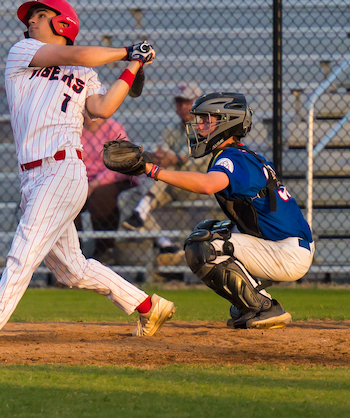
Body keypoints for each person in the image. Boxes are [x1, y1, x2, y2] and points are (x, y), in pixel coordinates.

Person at [0, 0, 175, 345]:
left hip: (62, 169)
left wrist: (133, 65)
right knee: (72, 270)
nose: (30, 22)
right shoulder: (22, 53)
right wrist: (128, 51)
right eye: (32, 17)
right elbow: (73, 54)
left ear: (62, 23)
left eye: (40, 16)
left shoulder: (85, 74)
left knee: (25, 246)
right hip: (32, 176)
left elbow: (102, 108)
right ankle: (148, 305)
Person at [120, 92, 312, 329]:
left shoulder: (233, 158)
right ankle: (251, 303)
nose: (199, 126)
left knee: (203, 246)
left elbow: (208, 184)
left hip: (287, 251)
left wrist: (153, 171)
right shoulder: (241, 155)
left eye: (207, 120)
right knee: (210, 230)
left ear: (227, 123)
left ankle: (263, 306)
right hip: (287, 245)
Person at [119, 81, 212, 260]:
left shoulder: (205, 129)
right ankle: (164, 242)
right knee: (126, 198)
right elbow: (162, 154)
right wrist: (168, 158)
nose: (183, 106)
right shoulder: (171, 131)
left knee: (164, 168)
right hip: (170, 186)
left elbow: (178, 158)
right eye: (179, 102)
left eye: (187, 101)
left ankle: (143, 207)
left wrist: (172, 159)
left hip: (197, 187)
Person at [75, 112, 138, 261]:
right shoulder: (76, 129)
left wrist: (95, 184)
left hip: (113, 178)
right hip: (82, 179)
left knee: (102, 197)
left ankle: (104, 249)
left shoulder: (113, 128)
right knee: (68, 197)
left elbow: (122, 162)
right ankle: (73, 253)